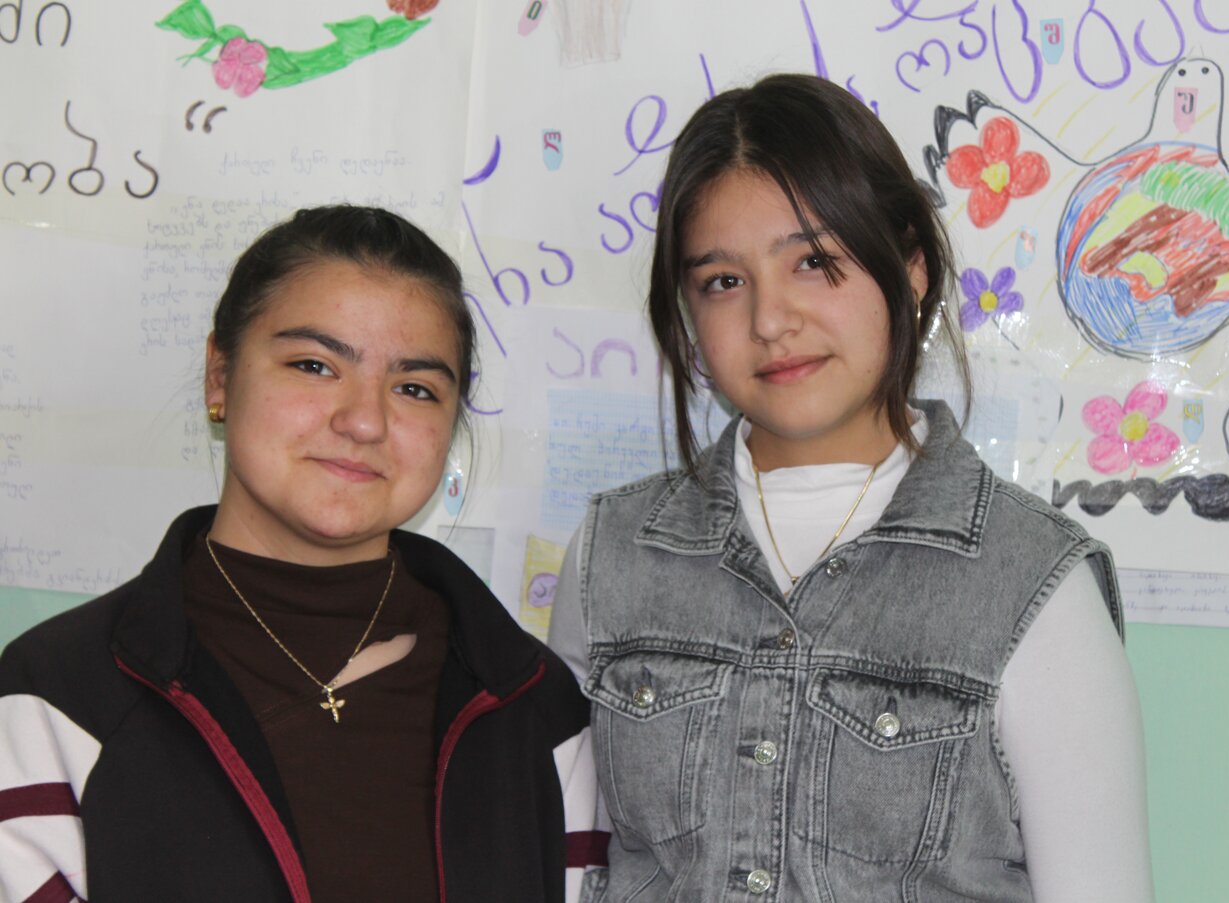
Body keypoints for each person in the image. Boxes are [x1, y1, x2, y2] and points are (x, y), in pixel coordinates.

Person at [548, 75, 1154, 901]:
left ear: (910, 268)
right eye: (723, 281)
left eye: (813, 262)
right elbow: (566, 863)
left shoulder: (1031, 583)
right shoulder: (613, 554)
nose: (770, 319)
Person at [0, 206, 593, 903]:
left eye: (415, 388)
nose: (364, 421)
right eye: (314, 365)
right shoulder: (57, 698)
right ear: (219, 375)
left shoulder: (537, 708)